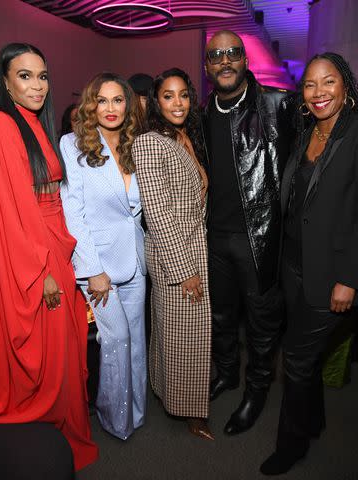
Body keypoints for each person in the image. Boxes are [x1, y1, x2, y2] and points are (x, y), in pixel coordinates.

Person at [0, 43, 98, 471]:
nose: (37, 85)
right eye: (25, 76)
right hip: (37, 250)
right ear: (5, 82)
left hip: (55, 242)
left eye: (43, 76)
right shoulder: (1, 125)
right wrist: (41, 270)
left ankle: (59, 427)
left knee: (67, 344)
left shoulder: (34, 123)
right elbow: (14, 205)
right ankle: (47, 429)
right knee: (52, 345)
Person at [260, 52, 358, 475]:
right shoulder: (307, 132)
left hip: (334, 273)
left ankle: (292, 446)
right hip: (294, 263)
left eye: (329, 82)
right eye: (310, 84)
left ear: (346, 87)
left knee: (298, 359)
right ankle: (315, 421)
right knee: (307, 355)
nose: (319, 92)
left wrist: (350, 279)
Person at [202, 30, 293, 434]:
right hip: (213, 238)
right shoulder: (201, 111)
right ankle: (227, 374)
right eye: (216, 55)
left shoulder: (278, 104)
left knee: (260, 324)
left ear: (244, 60)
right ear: (207, 67)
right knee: (221, 317)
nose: (225, 61)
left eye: (232, 54)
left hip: (260, 239)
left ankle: (256, 391)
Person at [60, 72, 147, 440]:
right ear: (90, 105)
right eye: (102, 100)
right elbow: (73, 213)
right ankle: (115, 418)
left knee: (138, 341)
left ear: (128, 105)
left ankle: (137, 414)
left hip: (136, 261)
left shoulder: (137, 145)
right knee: (117, 339)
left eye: (118, 100)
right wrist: (93, 270)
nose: (110, 108)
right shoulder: (73, 144)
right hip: (99, 267)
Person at [132, 68, 213, 440]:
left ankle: (174, 396)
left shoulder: (183, 136)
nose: (177, 103)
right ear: (156, 101)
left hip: (193, 246)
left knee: (180, 333)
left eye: (183, 95)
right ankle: (189, 410)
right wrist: (185, 271)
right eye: (168, 95)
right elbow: (158, 213)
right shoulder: (149, 142)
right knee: (184, 335)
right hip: (174, 255)